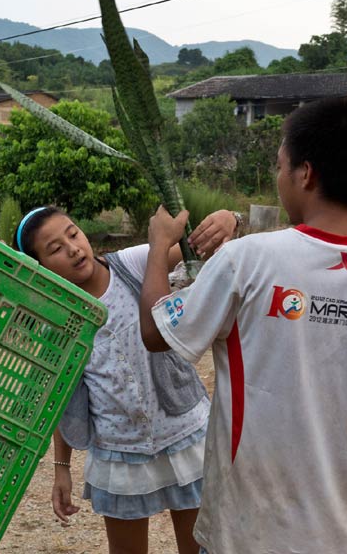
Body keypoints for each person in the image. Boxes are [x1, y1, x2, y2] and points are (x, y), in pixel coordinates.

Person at [138, 98, 347, 554]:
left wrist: (159, 246)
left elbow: (156, 335)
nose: (277, 177)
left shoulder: (248, 261)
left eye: (279, 166)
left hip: (246, 536)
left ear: (305, 173)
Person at [14, 205, 241, 554]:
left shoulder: (132, 264)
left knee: (199, 547)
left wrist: (231, 220)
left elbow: (197, 244)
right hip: (120, 451)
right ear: (41, 267)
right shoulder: (57, 318)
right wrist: (62, 468)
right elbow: (62, 397)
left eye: (73, 233)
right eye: (55, 249)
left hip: (183, 433)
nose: (73, 248)